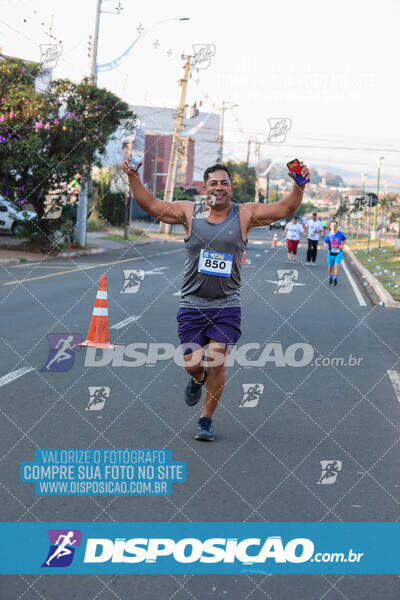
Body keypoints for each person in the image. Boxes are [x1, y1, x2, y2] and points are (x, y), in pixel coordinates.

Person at [122, 158, 310, 441]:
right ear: (204, 188)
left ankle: (206, 420)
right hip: (192, 305)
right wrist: (134, 177)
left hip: (226, 306)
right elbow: (152, 205)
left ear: (231, 189)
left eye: (224, 183)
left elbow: (285, 208)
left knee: (217, 359)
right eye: (214, 183)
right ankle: (197, 378)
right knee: (193, 363)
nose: (219, 188)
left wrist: (298, 185)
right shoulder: (189, 212)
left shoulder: (245, 214)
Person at [323, 221, 346, 285]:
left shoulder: (340, 234)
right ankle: (330, 277)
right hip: (331, 252)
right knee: (330, 266)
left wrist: (342, 245)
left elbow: (344, 240)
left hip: (339, 252)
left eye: (335, 226)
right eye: (332, 226)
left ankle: (335, 278)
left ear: (337, 226)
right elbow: (325, 242)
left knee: (337, 265)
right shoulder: (328, 235)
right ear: (330, 227)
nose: (334, 227)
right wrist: (326, 245)